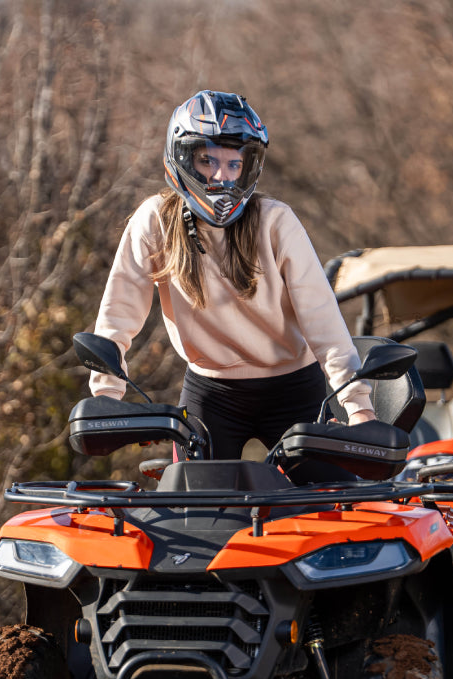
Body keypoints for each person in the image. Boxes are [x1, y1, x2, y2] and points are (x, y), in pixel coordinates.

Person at [89, 90, 375, 459]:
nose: (222, 177)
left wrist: (359, 408)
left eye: (234, 165)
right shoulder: (155, 220)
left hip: (294, 388)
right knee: (190, 510)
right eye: (207, 160)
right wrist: (105, 396)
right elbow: (118, 314)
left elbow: (324, 321)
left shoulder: (276, 221)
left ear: (249, 167)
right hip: (212, 394)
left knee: (332, 506)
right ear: (182, 157)